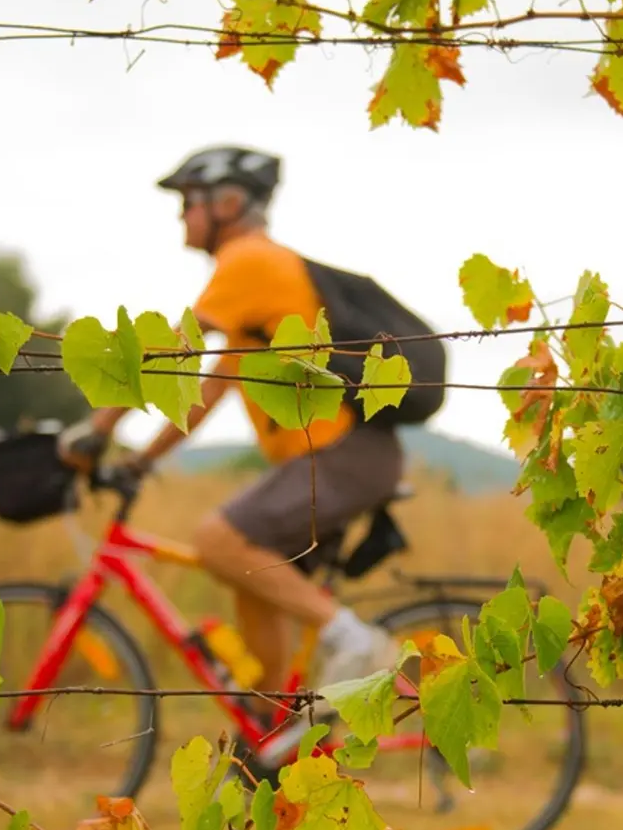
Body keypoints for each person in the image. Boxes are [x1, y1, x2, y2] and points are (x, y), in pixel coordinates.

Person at [57, 146, 402, 752]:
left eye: (188, 202)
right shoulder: (256, 289)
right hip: (337, 460)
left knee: (219, 539)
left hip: (346, 456)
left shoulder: (250, 259)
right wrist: (141, 458)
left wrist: (96, 430)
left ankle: (353, 641)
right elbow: (205, 391)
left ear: (229, 204)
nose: (181, 217)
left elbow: (174, 351)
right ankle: (280, 732)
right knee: (251, 571)